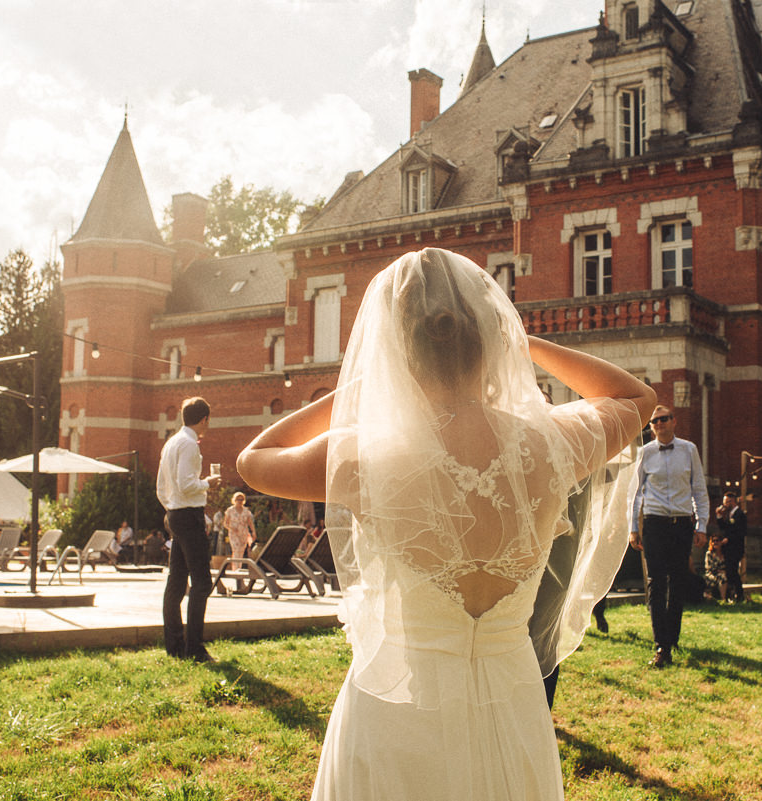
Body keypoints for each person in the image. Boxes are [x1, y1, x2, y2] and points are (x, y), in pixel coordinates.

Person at [237, 248, 655, 801]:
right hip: (514, 710)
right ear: (489, 336)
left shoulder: (367, 458)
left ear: (398, 350)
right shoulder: (554, 444)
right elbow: (636, 397)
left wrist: (362, 383)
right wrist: (522, 342)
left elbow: (255, 458)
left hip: (398, 713)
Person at [629, 405, 710, 668]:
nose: (659, 423)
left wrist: (702, 525)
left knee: (678, 582)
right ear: (650, 427)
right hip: (654, 524)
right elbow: (635, 493)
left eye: (664, 419)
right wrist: (633, 527)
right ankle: (661, 645)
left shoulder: (689, 450)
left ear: (674, 422)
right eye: (654, 421)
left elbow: (698, 488)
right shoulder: (645, 453)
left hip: (681, 524)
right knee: (656, 583)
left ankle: (672, 638)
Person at [157, 397, 221, 662]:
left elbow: (162, 487)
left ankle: (174, 644)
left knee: (176, 580)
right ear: (204, 419)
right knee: (202, 583)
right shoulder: (189, 444)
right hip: (188, 515)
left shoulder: (171, 443)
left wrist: (171, 509)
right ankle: (194, 647)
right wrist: (208, 483)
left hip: (176, 513)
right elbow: (186, 484)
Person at [220, 492, 257, 595]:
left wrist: (253, 532)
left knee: (241, 551)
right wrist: (232, 528)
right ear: (234, 500)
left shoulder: (246, 511)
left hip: (243, 533)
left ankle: (239, 569)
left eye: (241, 499)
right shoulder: (230, 511)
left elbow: (250, 523)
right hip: (234, 533)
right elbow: (225, 523)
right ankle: (236, 570)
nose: (239, 501)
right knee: (235, 550)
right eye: (238, 499)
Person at [714, 489, 747, 602]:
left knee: (732, 571)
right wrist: (719, 516)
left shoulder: (740, 514)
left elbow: (741, 531)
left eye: (726, 502)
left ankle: (739, 594)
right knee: (729, 571)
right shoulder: (729, 514)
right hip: (728, 548)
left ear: (732, 502)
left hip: (736, 548)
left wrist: (729, 539)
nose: (724, 504)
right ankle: (732, 594)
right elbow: (724, 528)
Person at [703, 533, 727, 602]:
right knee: (722, 577)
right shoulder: (709, 554)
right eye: (713, 541)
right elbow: (710, 568)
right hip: (711, 575)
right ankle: (723, 600)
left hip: (724, 573)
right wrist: (721, 570)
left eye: (717, 540)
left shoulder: (725, 553)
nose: (715, 542)